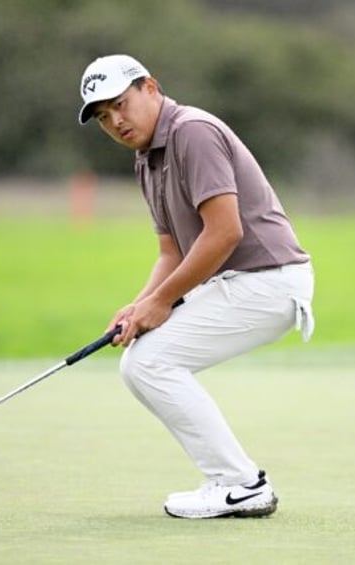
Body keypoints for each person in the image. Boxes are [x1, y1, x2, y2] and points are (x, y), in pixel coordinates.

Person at [77, 54, 315, 519]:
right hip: (244, 281)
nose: (116, 122)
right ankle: (236, 481)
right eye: (104, 117)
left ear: (150, 87)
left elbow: (225, 233)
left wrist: (162, 302)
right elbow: (172, 252)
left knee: (149, 361)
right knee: (140, 361)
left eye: (120, 105)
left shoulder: (192, 131)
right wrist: (140, 306)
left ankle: (240, 484)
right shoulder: (147, 161)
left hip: (269, 281)